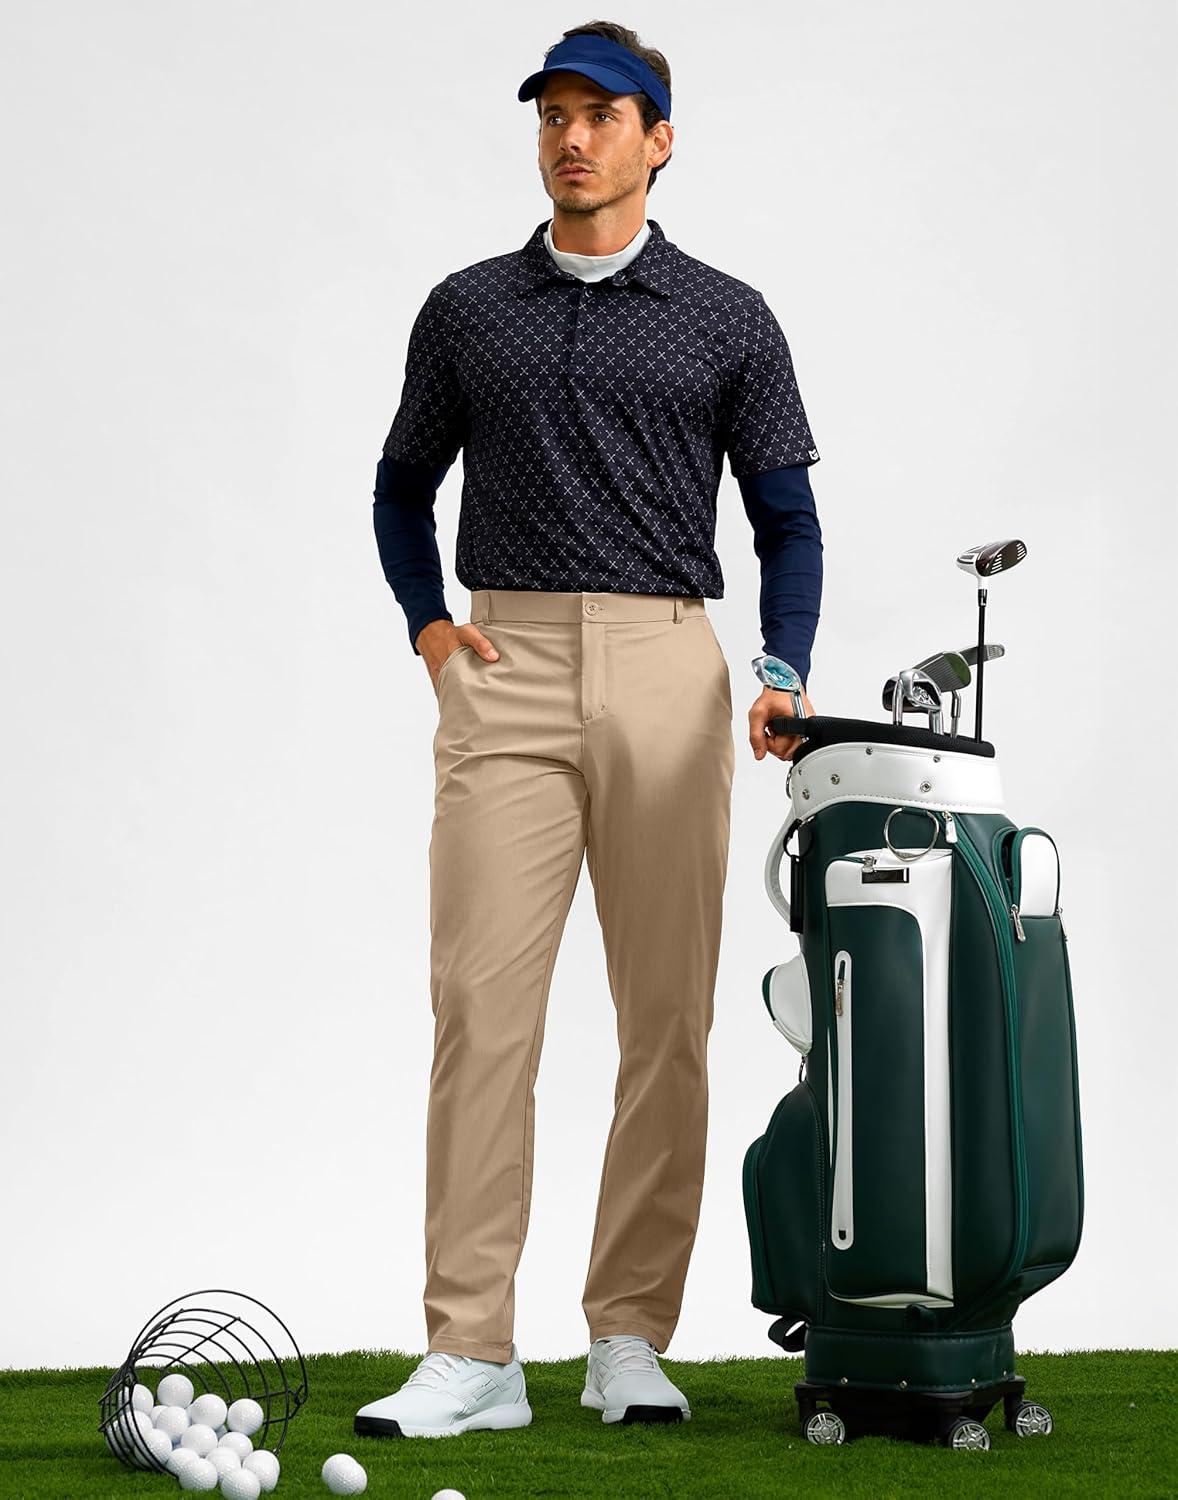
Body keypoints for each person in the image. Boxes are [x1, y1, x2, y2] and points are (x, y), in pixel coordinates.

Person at [355, 21, 823, 1440]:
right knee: (479, 1012)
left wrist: (781, 668)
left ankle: (627, 1335)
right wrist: (430, 628)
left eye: (602, 114)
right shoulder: (467, 308)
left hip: (668, 666)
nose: (572, 136)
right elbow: (398, 486)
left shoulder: (727, 315)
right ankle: (472, 1352)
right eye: (554, 113)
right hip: (504, 664)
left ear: (657, 140)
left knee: (665, 1021)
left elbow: (787, 520)